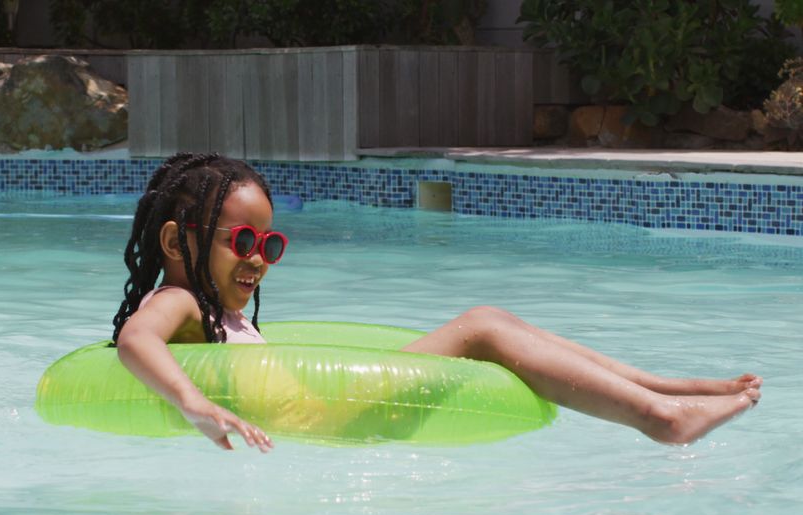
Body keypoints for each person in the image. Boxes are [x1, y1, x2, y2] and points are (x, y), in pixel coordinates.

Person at [112, 153, 761, 453]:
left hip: (330, 406)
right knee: (481, 326)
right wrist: (194, 405)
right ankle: (659, 416)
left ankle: (663, 388)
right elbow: (135, 340)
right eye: (243, 240)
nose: (258, 258)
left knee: (493, 321)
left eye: (271, 243)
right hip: (329, 420)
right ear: (177, 241)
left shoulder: (216, 311)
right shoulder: (179, 300)